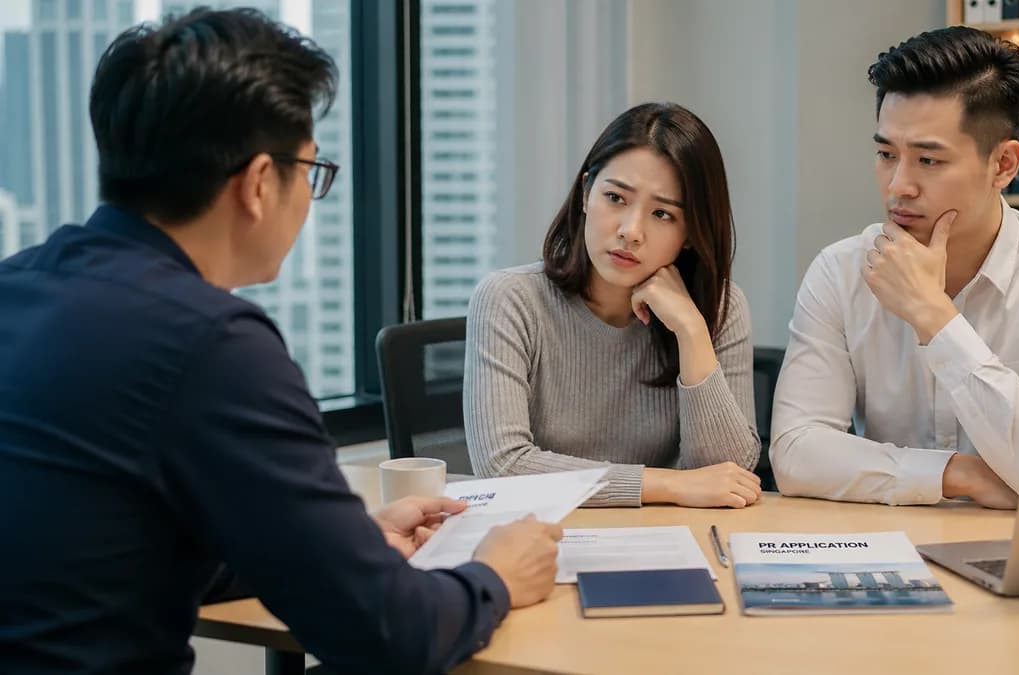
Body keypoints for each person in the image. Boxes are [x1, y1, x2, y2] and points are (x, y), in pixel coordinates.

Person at [0, 9, 561, 674]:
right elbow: (388, 635)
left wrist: (337, 545)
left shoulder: (20, 286)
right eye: (311, 168)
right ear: (261, 182)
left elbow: (96, 547)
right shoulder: (212, 343)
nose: (309, 192)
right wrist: (494, 575)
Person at [769, 26, 1019, 508]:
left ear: (1003, 164)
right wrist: (959, 475)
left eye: (928, 161)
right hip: (886, 545)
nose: (898, 186)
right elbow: (795, 451)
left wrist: (934, 316)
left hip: (1018, 552)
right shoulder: (841, 270)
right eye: (886, 154)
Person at [464, 102, 763, 509]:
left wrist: (692, 333)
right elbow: (503, 468)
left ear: (691, 232)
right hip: (538, 543)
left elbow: (729, 476)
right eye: (615, 198)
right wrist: (668, 486)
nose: (631, 231)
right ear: (586, 193)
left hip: (665, 543)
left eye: (662, 213)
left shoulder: (718, 308)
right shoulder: (509, 300)